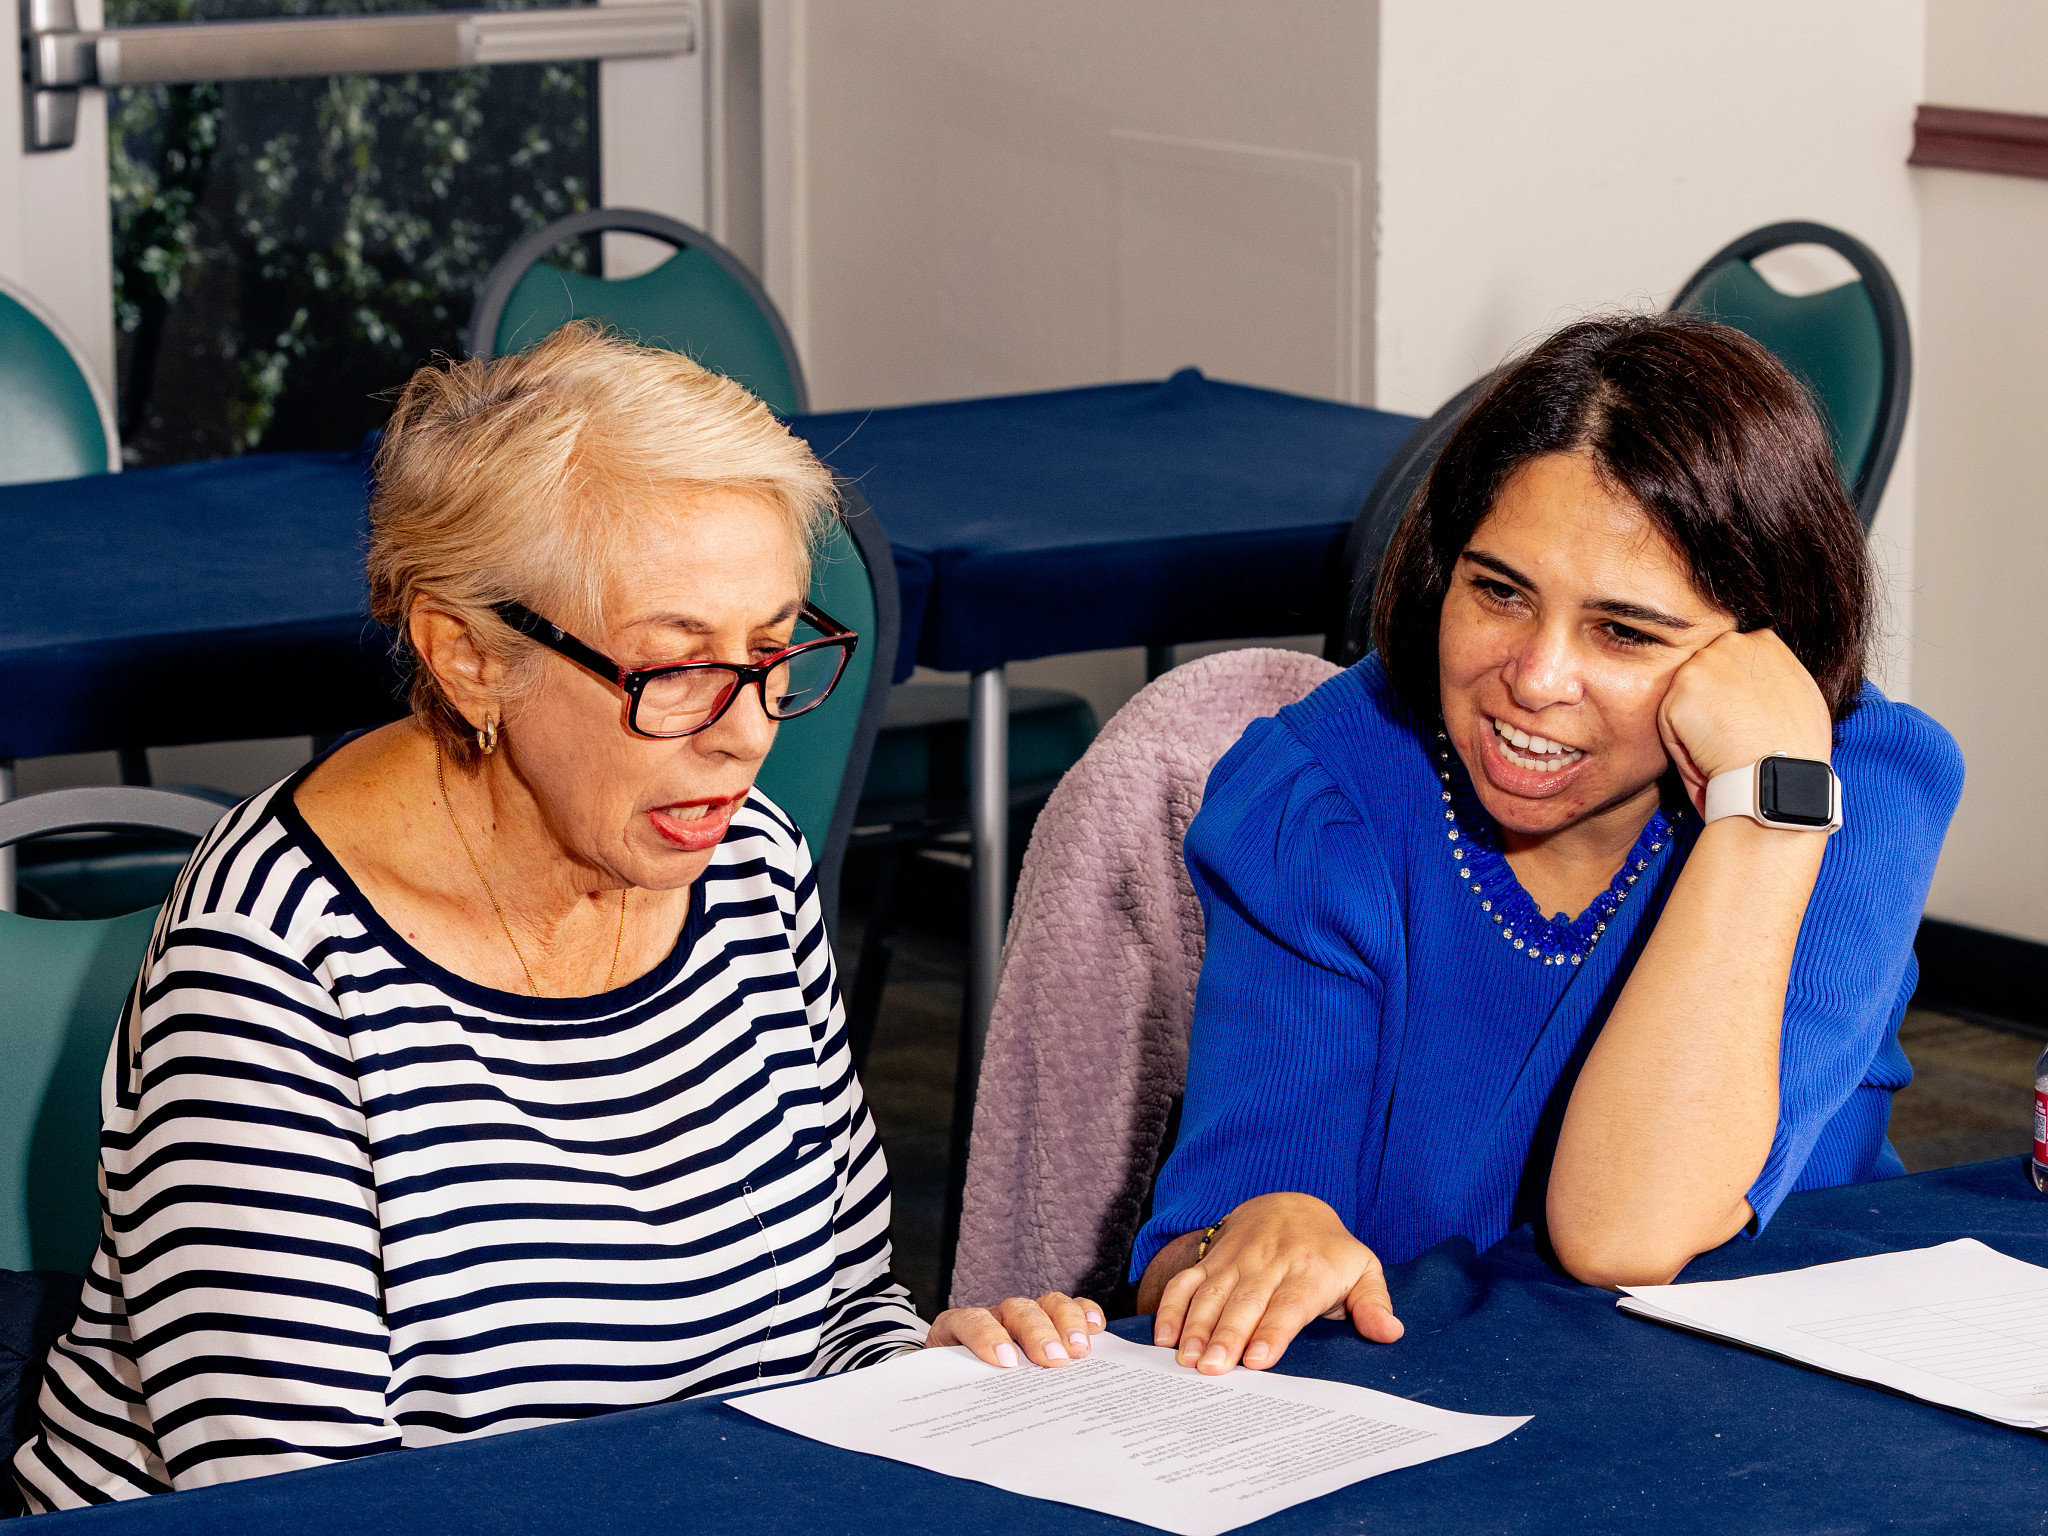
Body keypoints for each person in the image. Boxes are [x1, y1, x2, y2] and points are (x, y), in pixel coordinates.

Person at [14, 325, 1098, 1512]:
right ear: (469, 656)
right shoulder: (271, 966)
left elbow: (838, 1309)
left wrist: (942, 1390)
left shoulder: (745, 864)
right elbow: (297, 1501)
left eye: (774, 648)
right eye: (669, 667)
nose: (747, 731)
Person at [1131, 314, 1963, 1378]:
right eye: (1496, 591)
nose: (1532, 675)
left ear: (1763, 652)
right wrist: (1256, 1233)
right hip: (1423, 1407)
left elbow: (1624, 1232)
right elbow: (1199, 1246)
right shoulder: (1321, 796)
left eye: (1623, 632)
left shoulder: (1850, 789)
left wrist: (1758, 811)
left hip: (1773, 1407)